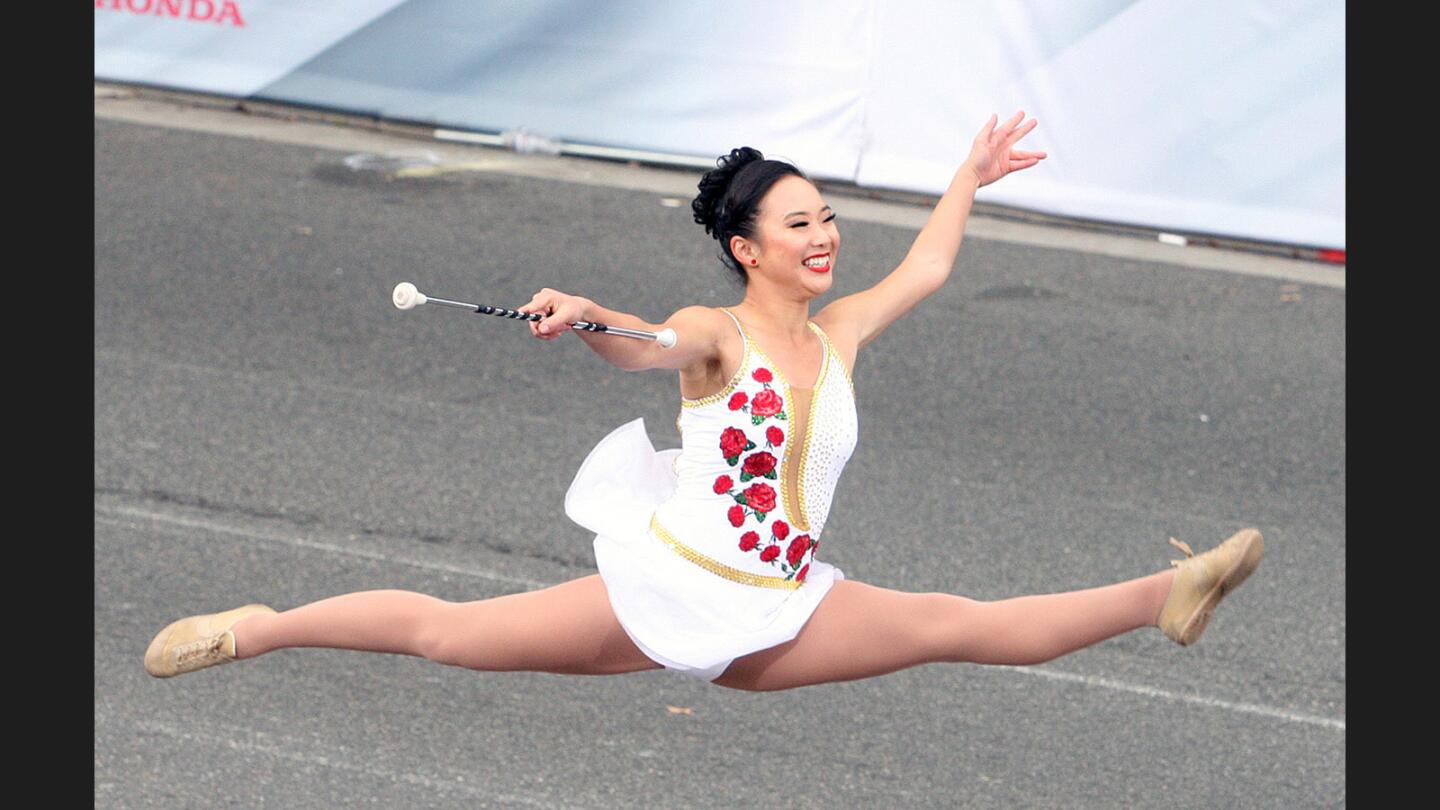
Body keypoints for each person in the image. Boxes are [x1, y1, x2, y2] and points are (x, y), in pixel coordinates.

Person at [144, 112, 1262, 691]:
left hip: (780, 603)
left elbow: (923, 270)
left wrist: (968, 177)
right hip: (674, 590)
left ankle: (1169, 588)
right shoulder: (716, 335)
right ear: (744, 248)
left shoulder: (839, 330)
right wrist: (587, 314)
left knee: (954, 627)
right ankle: (261, 630)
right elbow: (646, 347)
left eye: (827, 218)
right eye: (798, 226)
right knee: (448, 635)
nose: (823, 237)